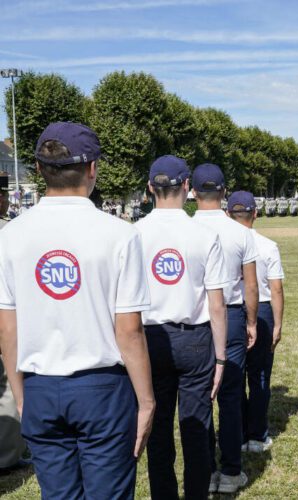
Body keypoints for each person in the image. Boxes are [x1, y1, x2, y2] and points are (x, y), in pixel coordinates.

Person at [0, 122, 155, 498]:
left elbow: (7, 328)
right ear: (92, 169)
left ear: (38, 170)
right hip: (102, 388)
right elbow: (129, 330)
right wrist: (147, 400)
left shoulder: (10, 235)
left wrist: (21, 394)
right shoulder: (119, 234)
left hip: (40, 383)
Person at [136, 155, 230, 499]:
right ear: (187, 187)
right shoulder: (202, 234)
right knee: (196, 429)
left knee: (157, 431)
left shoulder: (133, 233)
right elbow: (216, 304)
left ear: (150, 188)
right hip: (195, 340)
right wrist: (221, 359)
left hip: (150, 339)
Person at [192, 163, 259, 494]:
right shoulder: (240, 232)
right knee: (231, 397)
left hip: (197, 317)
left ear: (192, 191)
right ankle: (231, 471)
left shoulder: (186, 227)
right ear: (223, 192)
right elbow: (250, 285)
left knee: (200, 397)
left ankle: (205, 470)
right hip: (231, 315)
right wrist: (251, 321)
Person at [226, 191, 286, 454]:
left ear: (228, 214)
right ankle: (257, 435)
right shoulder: (267, 245)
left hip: (233, 309)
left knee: (235, 375)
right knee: (260, 375)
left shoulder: (221, 242)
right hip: (261, 309)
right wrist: (278, 325)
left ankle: (236, 432)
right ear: (255, 214)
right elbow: (276, 290)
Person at [0, 174, 26, 472]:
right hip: (6, 317)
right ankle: (6, 456)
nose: (7, 199)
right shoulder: (9, 232)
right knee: (7, 383)